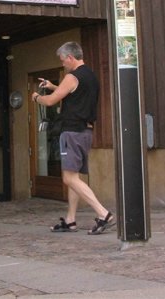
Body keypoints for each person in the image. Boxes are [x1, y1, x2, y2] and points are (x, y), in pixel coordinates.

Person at [31, 41, 114, 235]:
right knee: (74, 176)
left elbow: (51, 101)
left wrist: (36, 97)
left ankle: (104, 214)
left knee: (69, 178)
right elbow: (74, 95)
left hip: (72, 131)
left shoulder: (72, 76)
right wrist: (53, 86)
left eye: (63, 61)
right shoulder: (90, 76)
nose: (63, 65)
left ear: (70, 57)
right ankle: (70, 220)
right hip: (86, 131)